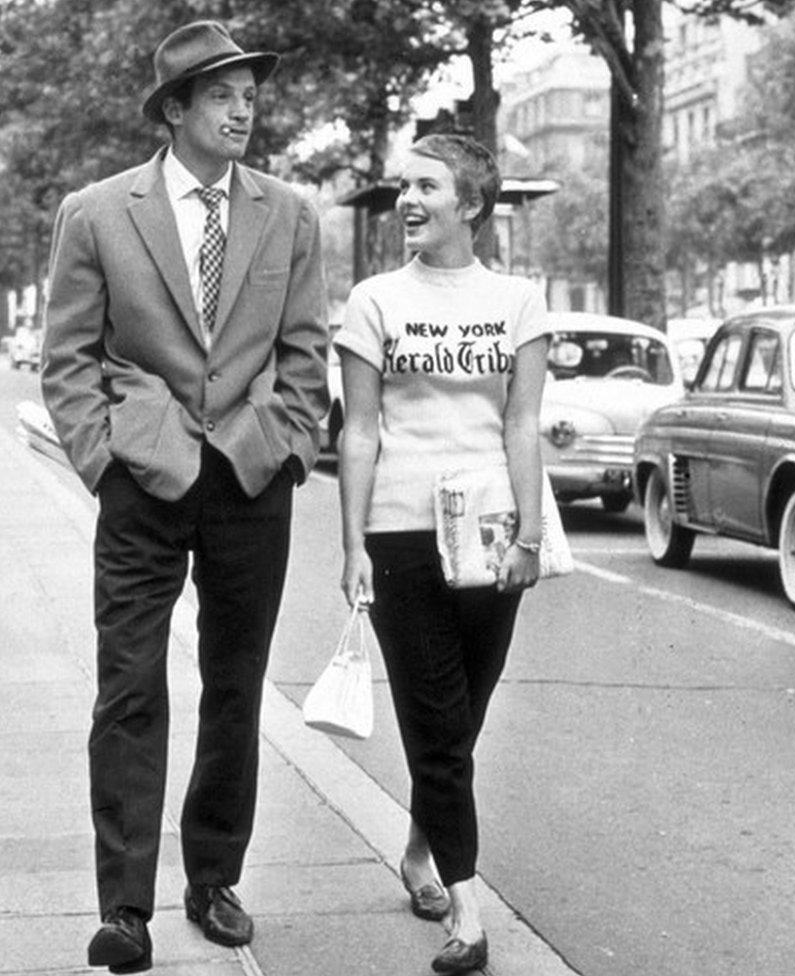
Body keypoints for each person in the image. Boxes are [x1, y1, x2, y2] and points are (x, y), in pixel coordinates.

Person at [40, 20, 329, 974]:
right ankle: (125, 908)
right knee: (128, 690)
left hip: (249, 480)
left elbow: (304, 354)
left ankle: (214, 880)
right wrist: (103, 459)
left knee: (236, 689)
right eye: (222, 94)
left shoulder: (289, 213)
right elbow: (70, 357)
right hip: (144, 481)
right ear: (175, 110)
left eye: (251, 93)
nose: (245, 108)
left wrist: (279, 445)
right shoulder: (96, 213)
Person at [335, 133, 549, 975]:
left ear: (472, 204)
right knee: (433, 715)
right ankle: (468, 911)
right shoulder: (373, 299)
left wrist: (531, 535)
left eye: (426, 187)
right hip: (397, 530)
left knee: (463, 717)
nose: (408, 202)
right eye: (402, 187)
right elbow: (357, 429)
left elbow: (521, 423)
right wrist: (350, 540)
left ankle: (422, 854)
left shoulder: (519, 301)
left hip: (492, 532)